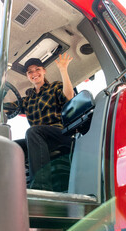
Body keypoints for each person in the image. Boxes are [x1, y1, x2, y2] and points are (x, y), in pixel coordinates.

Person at [6, 53, 75, 188]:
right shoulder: (28, 99)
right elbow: (8, 108)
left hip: (59, 134)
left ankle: (41, 186)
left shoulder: (54, 87)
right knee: (10, 146)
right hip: (38, 139)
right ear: (27, 76)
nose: (34, 73)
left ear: (44, 71)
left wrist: (63, 70)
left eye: (37, 69)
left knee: (33, 132)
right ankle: (13, 188)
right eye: (30, 72)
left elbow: (68, 96)